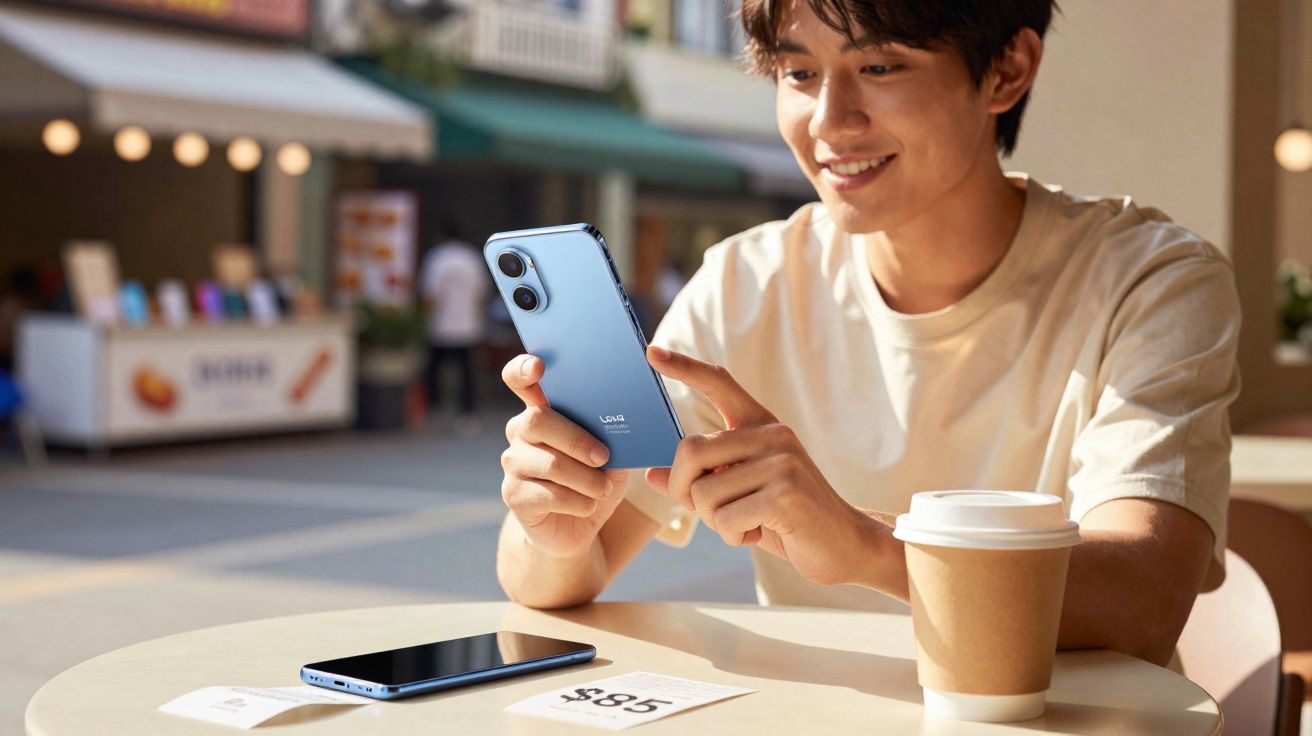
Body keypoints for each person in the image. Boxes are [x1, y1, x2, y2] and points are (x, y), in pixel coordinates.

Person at [495, 0, 1239, 668]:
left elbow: (1143, 596)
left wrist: (867, 547)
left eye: (880, 65)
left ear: (1007, 69)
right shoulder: (745, 284)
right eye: (798, 73)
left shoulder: (1153, 281)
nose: (827, 120)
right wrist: (551, 526)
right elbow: (565, 571)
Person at [420, 220, 490, 433]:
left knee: (432, 370)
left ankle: (432, 408)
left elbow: (431, 295)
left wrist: (425, 320)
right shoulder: (471, 257)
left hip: (441, 325)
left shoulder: (437, 258)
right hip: (468, 326)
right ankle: (468, 414)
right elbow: (481, 293)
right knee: (467, 373)